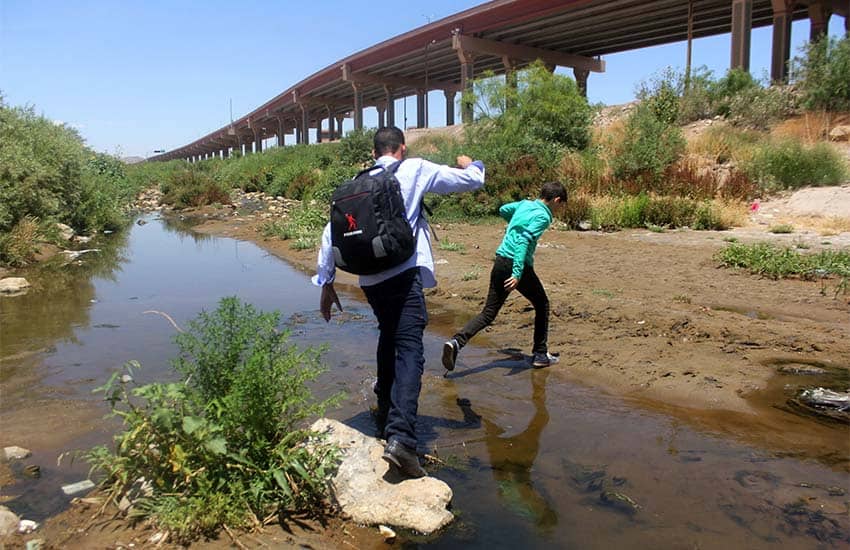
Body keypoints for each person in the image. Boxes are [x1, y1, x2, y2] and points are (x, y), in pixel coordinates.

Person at [314, 126, 485, 478]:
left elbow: (330, 232)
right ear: (401, 149)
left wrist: (326, 282)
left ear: (376, 152)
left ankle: (383, 408)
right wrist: (473, 164)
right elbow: (470, 181)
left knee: (388, 335)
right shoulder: (415, 168)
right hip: (403, 273)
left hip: (370, 279)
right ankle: (403, 440)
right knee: (409, 348)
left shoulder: (355, 182)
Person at [442, 181, 567, 371]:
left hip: (500, 261)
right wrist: (517, 273)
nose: (559, 210)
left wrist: (516, 223)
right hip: (517, 265)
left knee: (488, 313)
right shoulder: (543, 216)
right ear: (556, 200)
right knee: (542, 304)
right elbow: (524, 240)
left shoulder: (525, 205)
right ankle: (540, 354)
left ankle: (456, 342)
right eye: (560, 205)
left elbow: (503, 210)